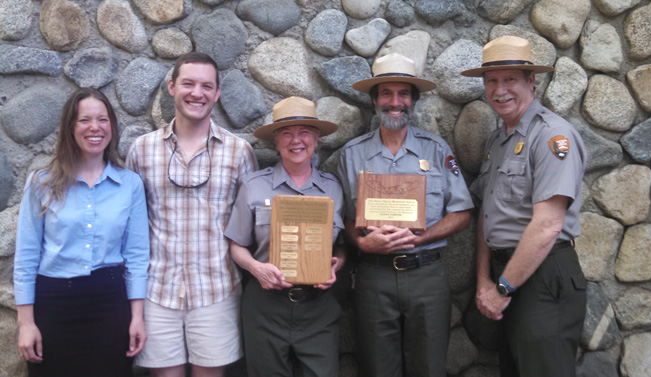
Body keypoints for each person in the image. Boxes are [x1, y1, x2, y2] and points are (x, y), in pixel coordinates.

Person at [335, 53, 474, 377]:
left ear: (413, 101)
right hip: (373, 277)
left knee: (428, 368)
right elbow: (343, 218)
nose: (394, 102)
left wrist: (421, 236)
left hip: (426, 275)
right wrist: (361, 243)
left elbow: (463, 214)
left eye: (403, 94)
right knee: (377, 369)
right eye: (386, 93)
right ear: (374, 100)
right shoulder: (352, 155)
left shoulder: (437, 150)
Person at [126, 52, 258, 377]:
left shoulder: (239, 152)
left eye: (206, 86)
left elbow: (250, 223)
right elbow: (131, 224)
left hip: (216, 288)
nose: (196, 93)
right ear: (172, 87)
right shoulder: (141, 150)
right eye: (188, 83)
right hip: (158, 289)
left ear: (217, 94)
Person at [463, 35, 588, 377]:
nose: (499, 90)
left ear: (531, 82)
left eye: (509, 80)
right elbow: (488, 216)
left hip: (543, 276)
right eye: (492, 81)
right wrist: (484, 281)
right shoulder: (498, 139)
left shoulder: (551, 136)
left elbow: (547, 226)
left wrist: (503, 287)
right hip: (510, 277)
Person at [14, 87, 149, 377]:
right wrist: (26, 323)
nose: (95, 128)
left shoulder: (130, 185)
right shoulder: (41, 183)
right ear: (70, 127)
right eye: (85, 120)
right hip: (53, 305)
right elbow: (26, 257)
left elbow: (137, 257)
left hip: (110, 304)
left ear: (112, 126)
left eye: (102, 119)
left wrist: (137, 317)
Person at [225, 96, 345, 377]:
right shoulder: (254, 186)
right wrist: (257, 268)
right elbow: (236, 245)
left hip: (318, 308)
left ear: (316, 138)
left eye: (304, 132)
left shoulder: (333, 189)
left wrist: (336, 264)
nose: (296, 141)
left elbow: (340, 248)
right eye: (287, 134)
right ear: (276, 141)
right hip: (266, 307)